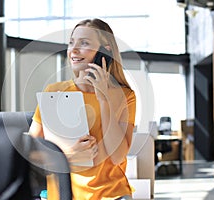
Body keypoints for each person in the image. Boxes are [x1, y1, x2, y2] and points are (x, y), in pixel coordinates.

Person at [29, 18, 136, 200]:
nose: (73, 50)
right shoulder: (54, 91)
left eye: (84, 43)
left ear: (104, 51)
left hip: (111, 195)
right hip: (62, 195)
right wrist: (67, 157)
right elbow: (30, 151)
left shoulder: (125, 96)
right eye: (71, 43)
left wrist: (103, 99)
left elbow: (118, 157)